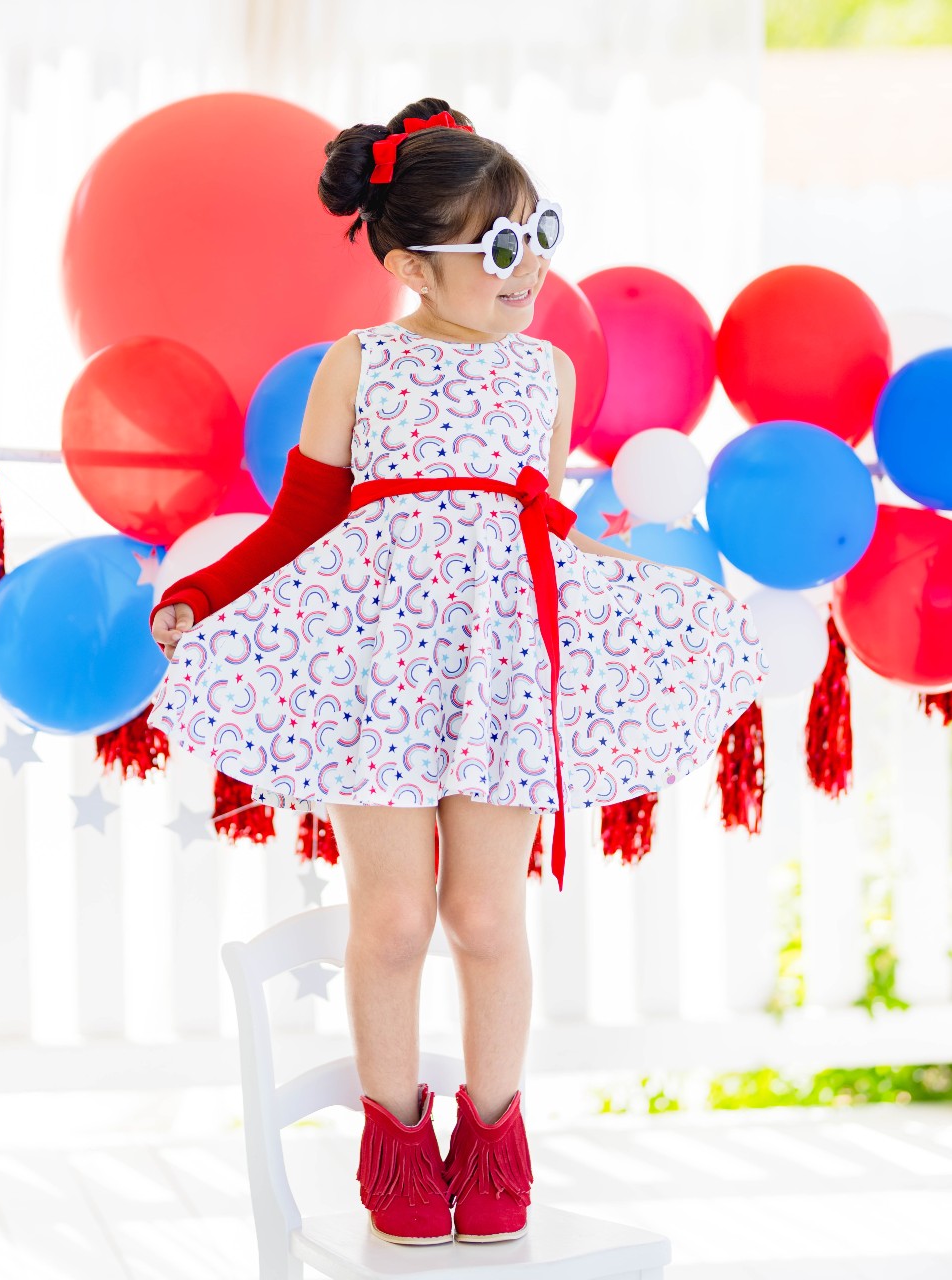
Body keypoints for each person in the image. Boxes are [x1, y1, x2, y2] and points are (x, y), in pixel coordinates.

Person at [148, 97, 767, 1248]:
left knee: (486, 911)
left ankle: (496, 1136)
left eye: (538, 232)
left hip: (502, 662)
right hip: (383, 663)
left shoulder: (544, 375)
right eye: (496, 245)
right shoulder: (361, 362)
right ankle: (393, 1137)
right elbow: (302, 520)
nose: (527, 265)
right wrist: (207, 595)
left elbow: (532, 516)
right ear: (409, 265)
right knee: (389, 916)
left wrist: (626, 584)